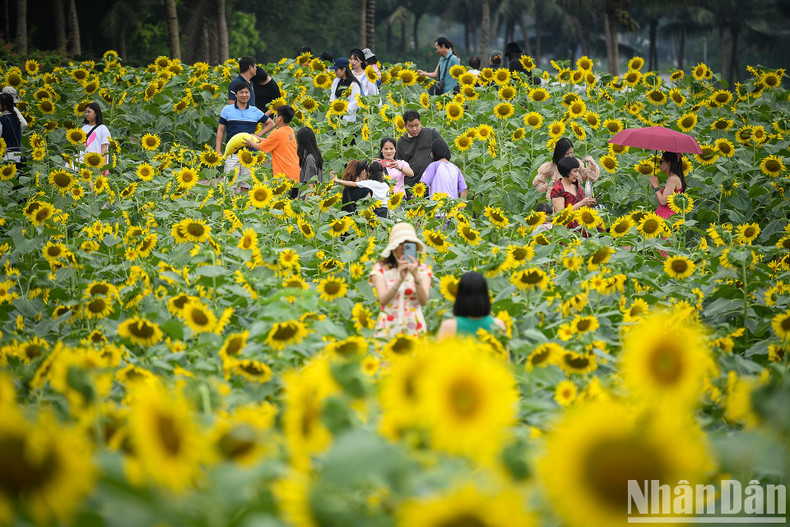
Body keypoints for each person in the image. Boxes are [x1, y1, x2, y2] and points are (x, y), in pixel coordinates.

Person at [369, 222, 432, 338]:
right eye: (401, 243)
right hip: (388, 326)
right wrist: (399, 279)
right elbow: (383, 300)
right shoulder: (381, 269)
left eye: (409, 243)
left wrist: (416, 276)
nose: (404, 247)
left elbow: (423, 301)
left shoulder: (423, 270)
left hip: (414, 327)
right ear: (393, 247)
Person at [216, 84, 273, 191]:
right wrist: (218, 149)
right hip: (232, 153)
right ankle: (230, 205)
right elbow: (220, 130)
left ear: (250, 95)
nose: (244, 95)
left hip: (250, 154)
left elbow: (271, 123)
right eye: (241, 92)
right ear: (236, 94)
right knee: (229, 184)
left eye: (246, 92)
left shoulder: (254, 111)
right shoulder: (227, 110)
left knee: (246, 185)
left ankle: (243, 206)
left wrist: (258, 135)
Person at [244, 105, 300, 191]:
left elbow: (260, 147)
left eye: (276, 115)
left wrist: (250, 142)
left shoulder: (277, 133)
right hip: (295, 174)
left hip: (284, 176)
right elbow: (272, 142)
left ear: (280, 118)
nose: (275, 117)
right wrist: (258, 138)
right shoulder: (289, 131)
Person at [438, 271, 506, 339]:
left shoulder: (449, 327)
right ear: (485, 296)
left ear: (459, 296)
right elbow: (505, 349)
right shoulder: (498, 325)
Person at [533, 137, 600, 200]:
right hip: (559, 199)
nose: (570, 156)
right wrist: (550, 190)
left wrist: (592, 164)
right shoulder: (552, 166)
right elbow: (538, 182)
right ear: (560, 153)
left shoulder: (576, 163)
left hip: (575, 199)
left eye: (571, 153)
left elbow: (589, 177)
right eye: (567, 154)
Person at [395, 110, 444, 189]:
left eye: (417, 125)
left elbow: (445, 154)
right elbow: (399, 167)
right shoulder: (401, 143)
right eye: (411, 126)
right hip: (412, 186)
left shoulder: (431, 134)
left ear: (420, 122)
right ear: (405, 126)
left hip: (433, 184)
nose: (414, 129)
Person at [649, 151, 687, 219]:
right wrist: (655, 188)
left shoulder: (673, 179)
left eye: (661, 161)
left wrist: (656, 186)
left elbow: (663, 201)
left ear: (668, 163)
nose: (659, 165)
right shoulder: (672, 178)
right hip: (665, 217)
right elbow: (660, 202)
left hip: (668, 218)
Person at [329, 57, 363, 123]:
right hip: (336, 116)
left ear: (344, 69)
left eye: (336, 70)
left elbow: (355, 102)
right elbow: (332, 96)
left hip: (348, 119)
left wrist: (342, 109)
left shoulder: (354, 84)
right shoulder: (336, 81)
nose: (335, 72)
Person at [79, 102, 110, 167]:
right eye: (86, 112)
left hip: (97, 164)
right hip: (83, 163)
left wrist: (104, 165)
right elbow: (80, 146)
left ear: (96, 113)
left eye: (89, 112)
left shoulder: (103, 129)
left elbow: (104, 148)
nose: (87, 114)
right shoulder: (84, 128)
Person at [0, 92, 24, 164]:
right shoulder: (16, 118)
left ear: (4, 106)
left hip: (6, 156)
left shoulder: (3, 119)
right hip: (17, 155)